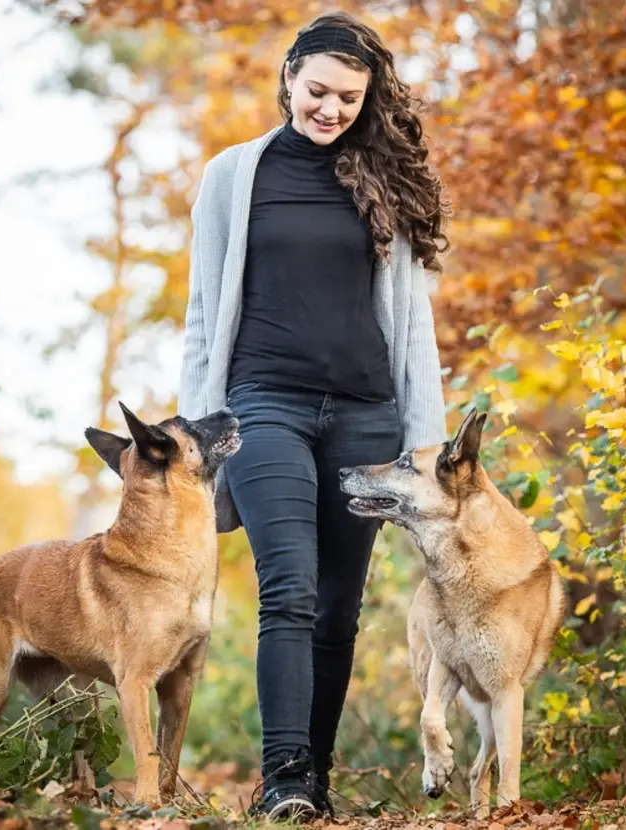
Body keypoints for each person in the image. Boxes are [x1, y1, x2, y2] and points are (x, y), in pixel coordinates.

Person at [177, 9, 448, 821]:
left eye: (349, 99)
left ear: (369, 100)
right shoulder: (233, 176)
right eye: (319, 91)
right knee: (286, 590)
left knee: (338, 606)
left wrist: (424, 436)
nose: (330, 110)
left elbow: (412, 321)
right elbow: (201, 312)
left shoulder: (384, 184)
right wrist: (199, 429)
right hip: (264, 405)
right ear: (289, 76)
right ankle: (285, 776)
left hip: (367, 417)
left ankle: (316, 783)